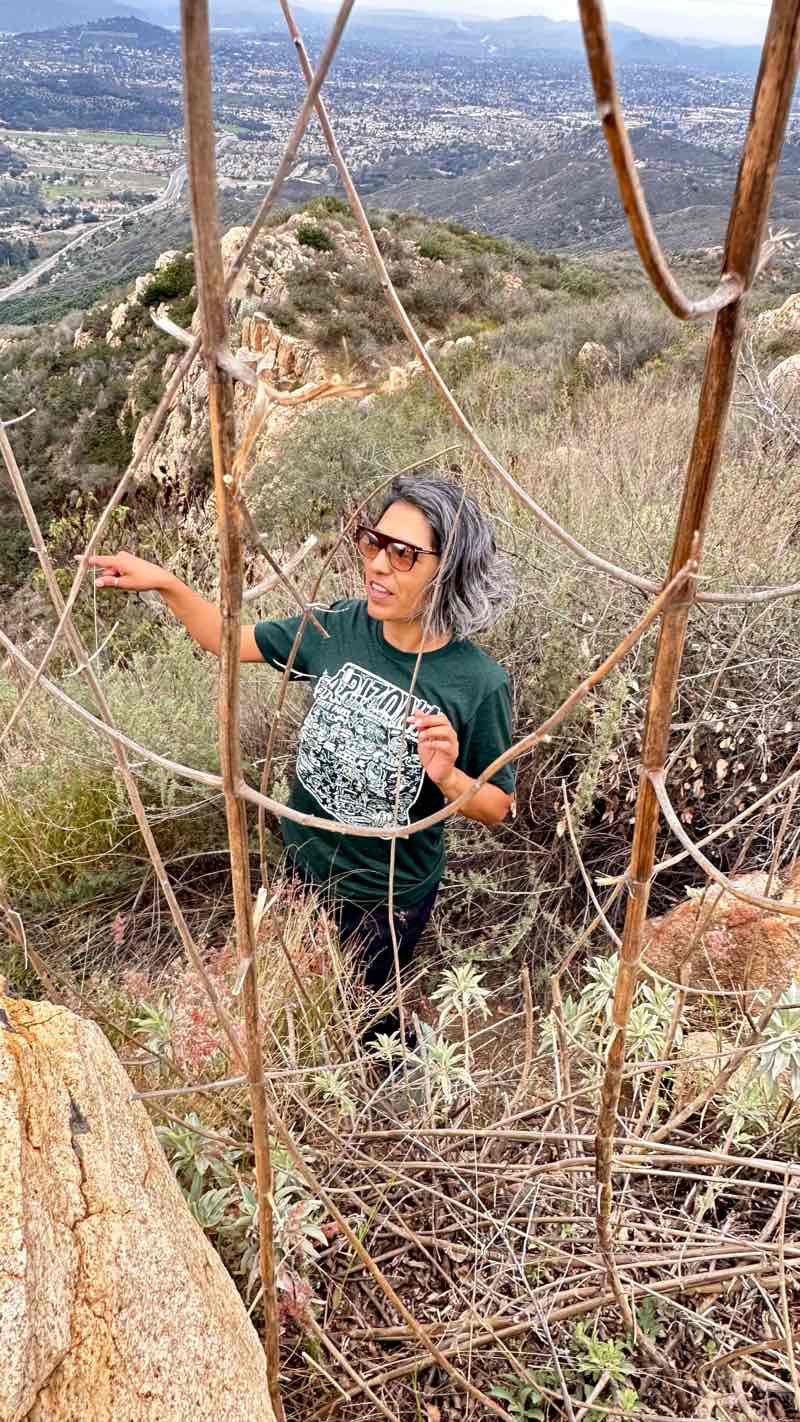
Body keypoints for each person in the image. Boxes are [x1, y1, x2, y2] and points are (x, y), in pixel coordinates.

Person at [89, 476, 516, 1019]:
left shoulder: (476, 683)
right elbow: (225, 641)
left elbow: (496, 806)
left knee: (363, 1015)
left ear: (447, 569)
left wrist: (449, 777)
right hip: (300, 866)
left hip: (383, 899)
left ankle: (386, 1074)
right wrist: (166, 584)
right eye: (374, 542)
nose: (378, 565)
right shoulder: (336, 626)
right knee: (298, 1002)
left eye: (404, 554)